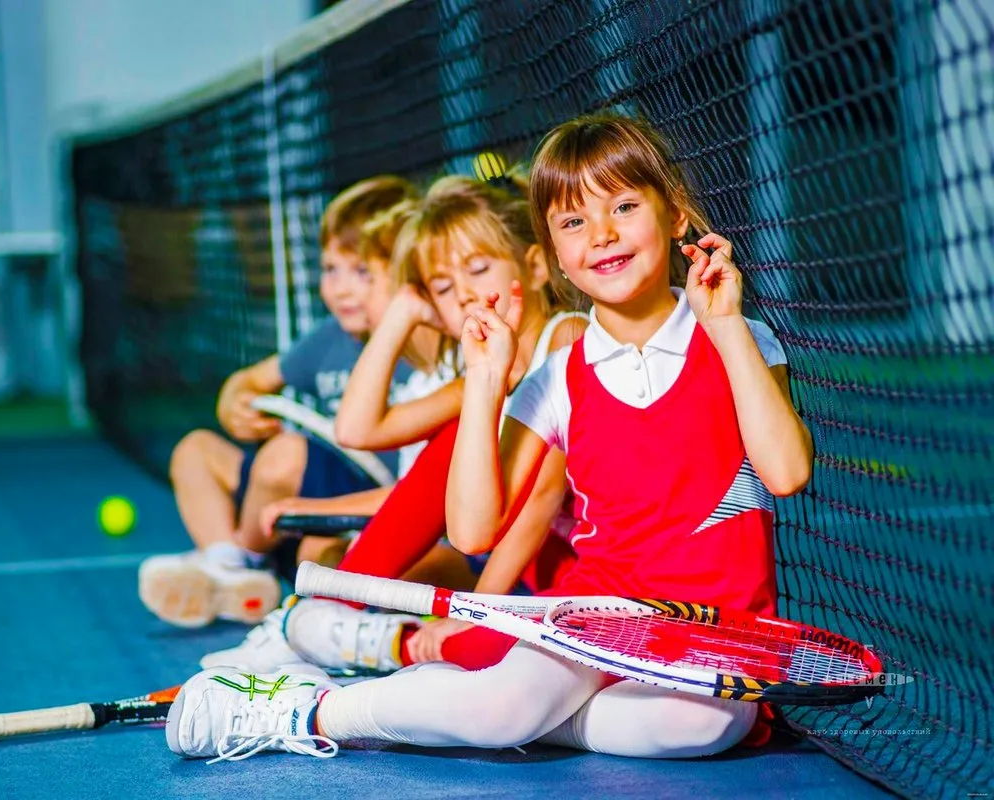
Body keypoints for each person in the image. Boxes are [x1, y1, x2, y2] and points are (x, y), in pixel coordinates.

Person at [164, 112, 813, 762]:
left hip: (711, 627)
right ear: (552, 249)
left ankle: (474, 703)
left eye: (623, 205)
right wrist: (483, 381)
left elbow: (785, 473)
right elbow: (473, 532)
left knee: (698, 729)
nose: (603, 234)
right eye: (573, 222)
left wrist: (724, 325)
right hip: (593, 616)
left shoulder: (742, 339)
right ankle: (304, 711)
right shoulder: (560, 375)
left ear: (675, 216)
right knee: (505, 707)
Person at [198, 170, 586, 676]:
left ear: (534, 267)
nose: (466, 294)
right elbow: (358, 432)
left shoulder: (568, 338)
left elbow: (537, 502)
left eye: (478, 269)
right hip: (523, 564)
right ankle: (321, 623)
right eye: (444, 286)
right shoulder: (482, 371)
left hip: (579, 566)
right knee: (453, 440)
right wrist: (404, 310)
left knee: (452, 448)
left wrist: (481, 613)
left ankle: (335, 626)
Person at [138, 175, 416, 628]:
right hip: (289, 497)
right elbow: (250, 380)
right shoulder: (326, 340)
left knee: (294, 477)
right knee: (195, 452)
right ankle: (232, 565)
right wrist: (235, 401)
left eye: (362, 272)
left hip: (361, 504)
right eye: (331, 269)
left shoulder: (424, 351)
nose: (341, 289)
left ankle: (238, 563)